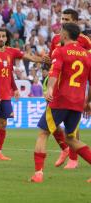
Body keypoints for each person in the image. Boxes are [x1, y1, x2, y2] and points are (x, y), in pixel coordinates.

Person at [30, 23, 91, 183]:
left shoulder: (60, 51)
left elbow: (55, 71)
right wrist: (88, 102)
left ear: (64, 35)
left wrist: (49, 89)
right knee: (71, 139)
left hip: (60, 100)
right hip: (78, 102)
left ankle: (38, 174)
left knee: (43, 133)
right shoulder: (87, 55)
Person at [0, 28, 48, 161]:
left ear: (7, 38)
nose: (1, 38)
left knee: (3, 123)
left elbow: (24, 59)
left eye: (3, 36)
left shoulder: (11, 52)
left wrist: (41, 60)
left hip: (6, 95)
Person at [48, 9, 91, 169]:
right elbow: (54, 61)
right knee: (50, 123)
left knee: (73, 127)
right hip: (57, 86)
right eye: (62, 18)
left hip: (75, 87)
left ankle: (73, 158)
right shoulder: (56, 39)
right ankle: (65, 148)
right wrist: (47, 60)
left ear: (75, 21)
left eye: (67, 19)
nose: (63, 21)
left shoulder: (84, 40)